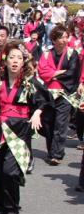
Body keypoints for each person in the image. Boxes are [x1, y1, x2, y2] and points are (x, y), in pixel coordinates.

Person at [0, 42, 48, 214]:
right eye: (12, 57)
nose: (15, 61)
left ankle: (12, 207)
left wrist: (38, 112)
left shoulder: (29, 82)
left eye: (19, 58)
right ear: (5, 60)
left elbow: (44, 101)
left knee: (10, 171)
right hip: (0, 128)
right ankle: (1, 205)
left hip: (20, 130)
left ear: (24, 62)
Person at [36, 25, 80, 165]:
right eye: (61, 37)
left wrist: (53, 75)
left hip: (65, 93)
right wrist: (59, 73)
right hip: (48, 94)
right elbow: (42, 72)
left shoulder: (72, 54)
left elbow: (73, 73)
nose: (64, 40)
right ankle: (51, 150)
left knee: (61, 125)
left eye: (66, 37)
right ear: (54, 39)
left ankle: (57, 154)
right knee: (48, 123)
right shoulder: (47, 53)